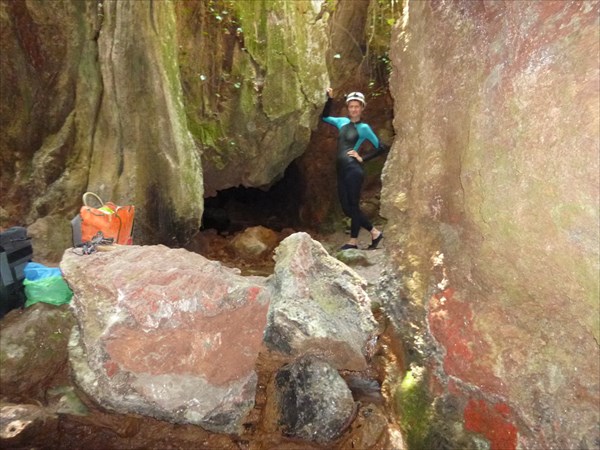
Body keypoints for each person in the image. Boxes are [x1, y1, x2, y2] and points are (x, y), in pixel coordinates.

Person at [321, 88, 387, 250]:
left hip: (353, 170)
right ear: (348, 108)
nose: (354, 109)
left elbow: (381, 147)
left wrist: (362, 158)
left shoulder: (364, 128)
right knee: (346, 207)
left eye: (357, 106)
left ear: (362, 108)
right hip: (342, 170)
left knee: (353, 206)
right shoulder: (341, 122)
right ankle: (375, 232)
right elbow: (324, 117)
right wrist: (330, 99)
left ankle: (353, 241)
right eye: (351, 106)